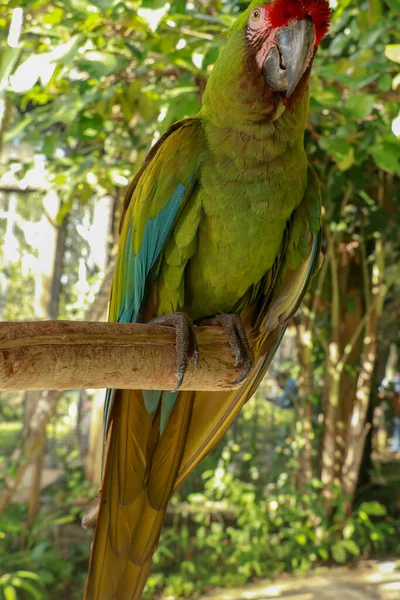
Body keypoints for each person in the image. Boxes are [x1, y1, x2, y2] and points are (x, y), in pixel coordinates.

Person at [379, 371, 400, 453]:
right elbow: (381, 393)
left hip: (395, 408)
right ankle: (394, 447)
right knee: (396, 426)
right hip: (393, 408)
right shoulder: (390, 381)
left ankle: (395, 446)